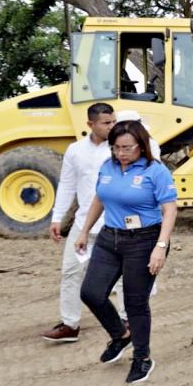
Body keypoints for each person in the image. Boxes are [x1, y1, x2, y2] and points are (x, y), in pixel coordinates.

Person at [77, 120, 179, 384]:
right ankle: (121, 334)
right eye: (116, 148)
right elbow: (99, 199)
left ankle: (142, 358)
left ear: (140, 145)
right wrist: (84, 231)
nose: (120, 153)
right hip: (110, 237)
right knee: (91, 293)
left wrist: (161, 246)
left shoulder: (155, 171)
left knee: (135, 303)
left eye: (126, 148)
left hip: (144, 241)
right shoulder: (108, 166)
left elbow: (170, 210)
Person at [40, 102, 125, 343]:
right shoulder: (75, 150)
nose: (112, 126)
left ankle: (127, 320)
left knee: (121, 277)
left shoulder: (120, 149)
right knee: (71, 272)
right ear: (90, 124)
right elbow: (67, 184)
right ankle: (70, 325)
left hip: (116, 224)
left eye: (113, 121)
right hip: (83, 226)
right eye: (106, 123)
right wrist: (57, 217)